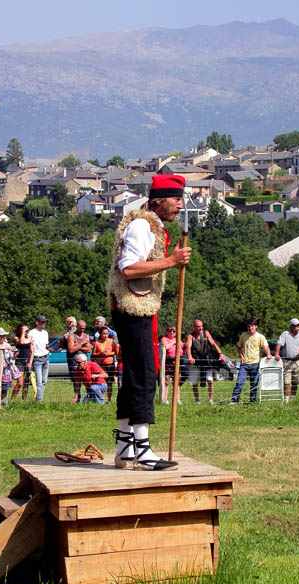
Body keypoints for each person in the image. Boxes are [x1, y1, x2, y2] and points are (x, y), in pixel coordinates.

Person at [108, 173, 191, 471]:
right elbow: (129, 268)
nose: (180, 206)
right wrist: (172, 261)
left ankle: (124, 448)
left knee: (134, 375)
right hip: (133, 308)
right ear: (158, 200)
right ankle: (143, 450)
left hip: (137, 308)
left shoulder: (148, 225)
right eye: (176, 199)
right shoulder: (142, 226)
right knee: (144, 373)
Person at [231, 318, 272, 404]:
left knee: (254, 384)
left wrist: (268, 354)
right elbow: (238, 346)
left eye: (252, 326)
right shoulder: (243, 335)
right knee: (239, 383)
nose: (250, 328)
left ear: (256, 326)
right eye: (249, 326)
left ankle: (252, 401)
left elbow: (265, 347)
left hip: (256, 364)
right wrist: (241, 356)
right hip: (244, 364)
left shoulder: (260, 337)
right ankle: (234, 401)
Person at [186, 319, 224, 404]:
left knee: (210, 380)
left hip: (206, 360)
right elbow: (188, 347)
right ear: (194, 327)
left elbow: (213, 343)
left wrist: (220, 353)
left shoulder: (206, 333)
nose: (200, 328)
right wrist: (190, 357)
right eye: (198, 326)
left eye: (201, 326)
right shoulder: (190, 336)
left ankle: (210, 399)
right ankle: (197, 400)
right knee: (194, 381)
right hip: (195, 361)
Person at [274, 318, 299, 403]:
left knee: (295, 381)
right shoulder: (285, 334)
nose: (298, 327)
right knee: (287, 381)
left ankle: (293, 398)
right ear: (291, 326)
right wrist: (277, 354)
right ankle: (286, 400)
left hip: (298, 361)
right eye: (296, 325)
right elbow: (279, 344)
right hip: (287, 361)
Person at [0, 328, 19, 405]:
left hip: (5, 372)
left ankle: (3, 403)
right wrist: (7, 347)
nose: (4, 338)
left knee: (4, 388)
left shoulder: (7, 345)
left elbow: (11, 357)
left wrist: (15, 354)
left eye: (4, 336)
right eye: (2, 336)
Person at [66, 320, 92, 403]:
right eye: (81, 328)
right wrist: (82, 344)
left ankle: (89, 396)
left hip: (85, 361)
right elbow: (71, 350)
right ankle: (77, 396)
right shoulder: (71, 336)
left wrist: (77, 346)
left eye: (84, 328)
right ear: (77, 326)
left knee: (86, 378)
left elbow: (88, 349)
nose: (82, 330)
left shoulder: (86, 336)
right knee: (76, 380)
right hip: (74, 361)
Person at [92, 326, 119, 402]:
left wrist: (109, 353)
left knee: (109, 383)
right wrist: (100, 353)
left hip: (110, 364)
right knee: (101, 382)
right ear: (100, 334)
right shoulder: (97, 343)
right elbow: (93, 354)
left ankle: (109, 399)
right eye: (104, 334)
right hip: (101, 366)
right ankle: (101, 398)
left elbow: (116, 352)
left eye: (107, 333)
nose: (105, 335)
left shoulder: (111, 341)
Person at [161, 325, 185, 405]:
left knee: (176, 382)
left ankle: (177, 399)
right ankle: (164, 399)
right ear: (167, 332)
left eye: (174, 331)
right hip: (167, 362)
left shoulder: (178, 340)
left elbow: (182, 349)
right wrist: (173, 343)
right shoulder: (164, 339)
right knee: (166, 381)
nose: (172, 332)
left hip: (176, 362)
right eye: (170, 330)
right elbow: (166, 347)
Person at [27, 315, 50, 402]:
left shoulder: (45, 333)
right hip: (37, 359)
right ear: (37, 322)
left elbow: (46, 346)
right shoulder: (31, 333)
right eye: (42, 322)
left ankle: (39, 399)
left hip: (46, 357)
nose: (44, 323)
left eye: (45, 322)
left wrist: (52, 348)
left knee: (44, 381)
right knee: (39, 382)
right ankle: (39, 401)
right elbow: (29, 345)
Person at [11, 323, 33, 401]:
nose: (27, 331)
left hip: (27, 361)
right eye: (24, 330)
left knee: (26, 382)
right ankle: (12, 399)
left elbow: (31, 351)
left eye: (27, 330)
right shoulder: (16, 338)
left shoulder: (30, 338)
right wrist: (23, 332)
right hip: (19, 362)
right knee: (20, 382)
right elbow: (22, 342)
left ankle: (24, 400)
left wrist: (30, 362)